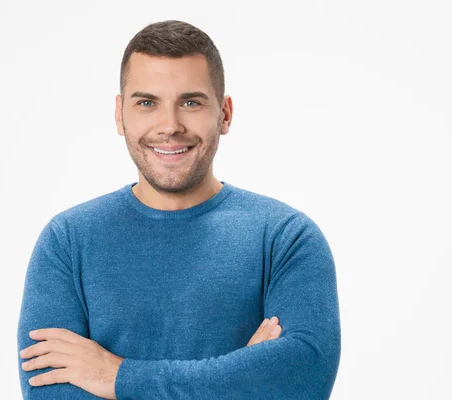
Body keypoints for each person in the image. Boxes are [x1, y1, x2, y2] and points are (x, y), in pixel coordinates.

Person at [17, 20, 341, 399]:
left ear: (224, 113)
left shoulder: (286, 238)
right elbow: (50, 393)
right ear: (120, 114)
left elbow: (302, 378)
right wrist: (236, 381)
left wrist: (117, 377)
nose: (169, 126)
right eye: (146, 103)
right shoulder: (67, 242)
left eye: (190, 102)